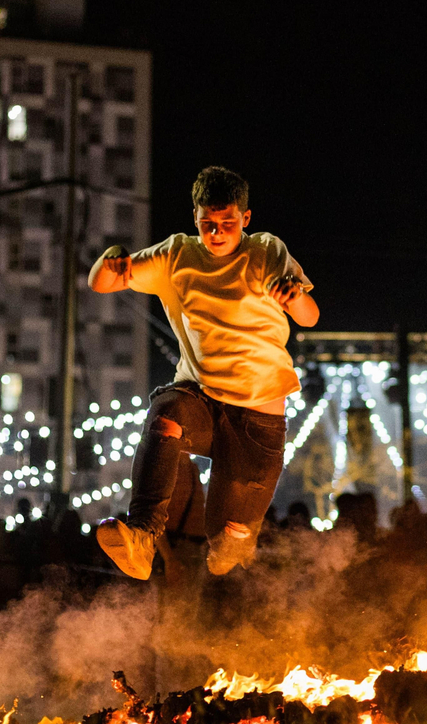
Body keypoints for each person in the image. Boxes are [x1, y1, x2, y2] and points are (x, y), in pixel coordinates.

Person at [87, 166, 319, 578]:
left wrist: (294, 297)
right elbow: (103, 283)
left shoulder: (267, 251)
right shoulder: (176, 254)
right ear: (194, 216)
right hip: (203, 401)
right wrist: (111, 260)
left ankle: (233, 548)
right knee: (166, 415)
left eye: (227, 224)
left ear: (245, 219)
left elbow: (311, 316)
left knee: (228, 546)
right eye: (207, 224)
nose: (216, 233)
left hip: (259, 421)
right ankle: (142, 536)